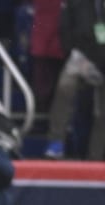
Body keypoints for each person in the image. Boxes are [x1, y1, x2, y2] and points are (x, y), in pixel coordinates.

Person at [44, 0, 105, 160]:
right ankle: (55, 143)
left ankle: (96, 155)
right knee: (65, 86)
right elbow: (65, 28)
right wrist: (72, 52)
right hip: (82, 56)